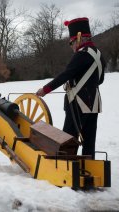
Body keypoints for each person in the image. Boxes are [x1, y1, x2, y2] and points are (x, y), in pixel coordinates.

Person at [36, 17, 105, 159]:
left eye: (71, 42)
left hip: (78, 103)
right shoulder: (98, 54)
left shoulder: (81, 54)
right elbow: (101, 79)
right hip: (94, 103)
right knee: (89, 139)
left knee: (68, 138)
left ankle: (65, 169)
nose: (72, 46)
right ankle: (89, 166)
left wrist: (45, 89)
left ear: (79, 38)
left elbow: (65, 74)